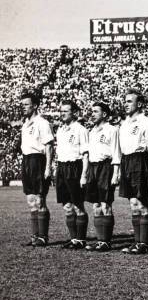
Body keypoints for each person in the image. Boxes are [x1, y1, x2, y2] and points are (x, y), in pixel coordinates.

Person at [119, 89, 148, 255]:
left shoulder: (146, 122)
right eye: (125, 101)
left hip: (140, 161)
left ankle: (145, 243)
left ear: (139, 104)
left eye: (129, 101)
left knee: (142, 203)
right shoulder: (124, 123)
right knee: (133, 204)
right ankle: (137, 242)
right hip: (126, 161)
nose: (126, 104)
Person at [84, 102, 120, 252]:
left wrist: (116, 173)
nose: (92, 114)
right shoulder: (91, 132)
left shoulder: (112, 130)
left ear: (104, 114)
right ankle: (100, 240)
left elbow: (116, 152)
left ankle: (106, 241)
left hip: (106, 167)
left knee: (105, 204)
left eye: (95, 112)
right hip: (93, 168)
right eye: (91, 111)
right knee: (96, 205)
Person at [20, 92, 54, 247]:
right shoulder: (25, 123)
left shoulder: (42, 123)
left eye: (26, 104)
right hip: (26, 160)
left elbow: (49, 146)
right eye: (22, 104)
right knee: (30, 200)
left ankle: (43, 236)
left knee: (40, 200)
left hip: (38, 161)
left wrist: (48, 167)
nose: (23, 107)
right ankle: (34, 236)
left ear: (35, 105)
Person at [56, 100, 90, 249]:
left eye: (65, 111)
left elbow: (86, 154)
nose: (62, 114)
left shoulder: (80, 129)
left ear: (74, 113)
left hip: (74, 167)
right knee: (67, 206)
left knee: (78, 205)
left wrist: (84, 174)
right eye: (61, 111)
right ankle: (73, 239)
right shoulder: (60, 130)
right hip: (62, 167)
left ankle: (81, 239)